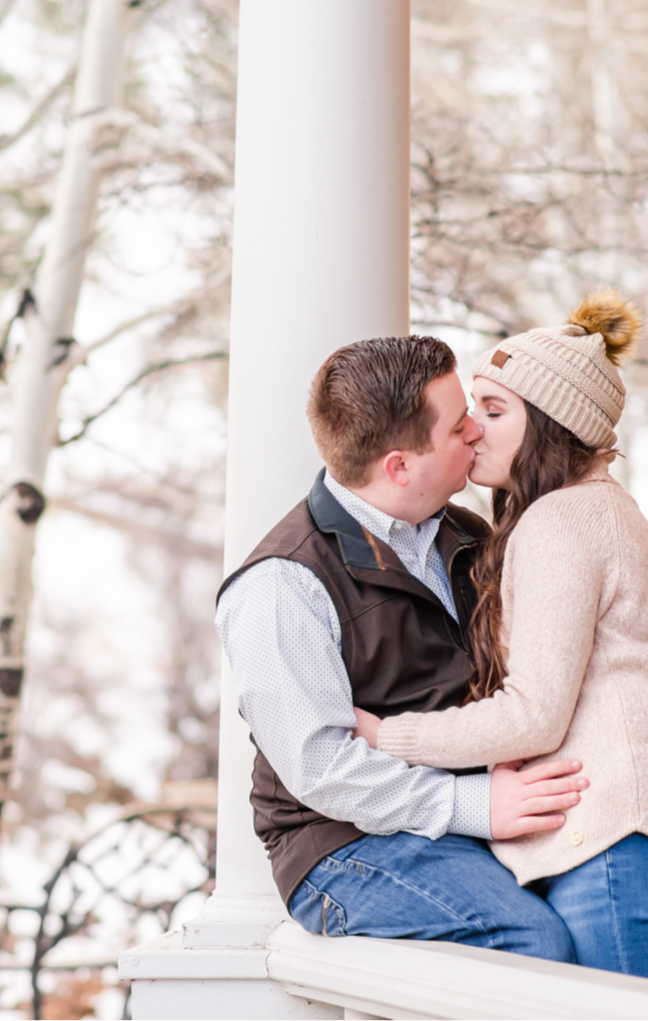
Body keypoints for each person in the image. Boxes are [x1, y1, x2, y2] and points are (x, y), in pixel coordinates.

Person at [354, 291, 648, 984]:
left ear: (551, 426)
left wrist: (386, 738)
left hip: (614, 847)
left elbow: (533, 715)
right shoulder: (595, 511)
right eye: (472, 409)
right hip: (618, 847)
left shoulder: (562, 520)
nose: (471, 429)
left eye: (495, 412)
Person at [216, 335, 588, 961]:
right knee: (533, 939)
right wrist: (476, 804)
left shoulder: (470, 534)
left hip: (471, 814)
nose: (476, 430)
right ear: (399, 466)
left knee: (603, 907)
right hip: (343, 843)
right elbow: (324, 773)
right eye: (457, 425)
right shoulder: (282, 584)